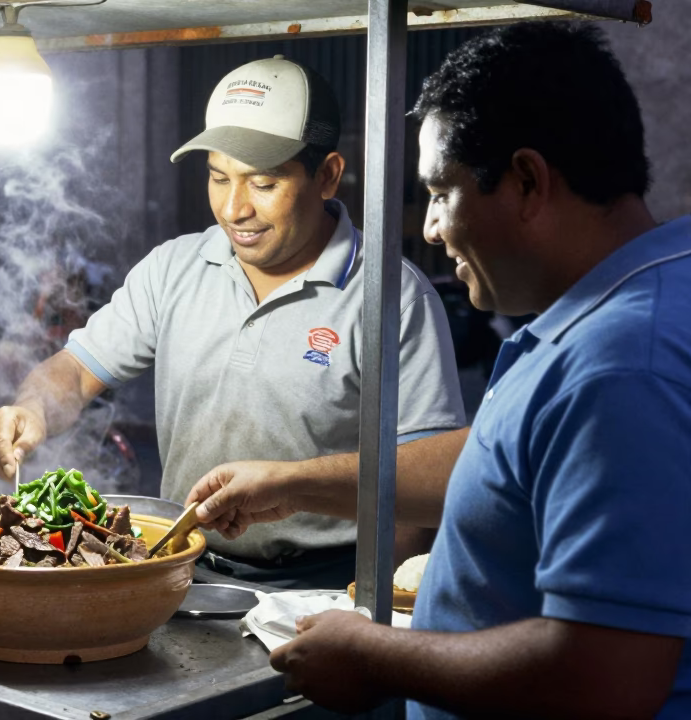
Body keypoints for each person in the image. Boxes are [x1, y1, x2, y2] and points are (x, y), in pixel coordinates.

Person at [196, 23, 691, 718]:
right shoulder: (634, 298)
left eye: (440, 193)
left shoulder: (621, 366)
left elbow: (604, 679)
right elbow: (520, 459)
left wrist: (375, 656)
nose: (429, 227)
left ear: (526, 182)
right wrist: (296, 483)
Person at [0, 56, 466, 588]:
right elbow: (75, 372)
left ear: (327, 175)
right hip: (181, 568)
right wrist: (32, 408)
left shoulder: (393, 296)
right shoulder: (173, 268)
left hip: (323, 585)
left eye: (263, 183)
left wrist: (373, 603)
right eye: (218, 177)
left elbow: (424, 484)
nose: (234, 209)